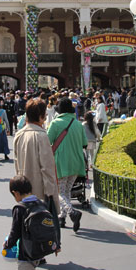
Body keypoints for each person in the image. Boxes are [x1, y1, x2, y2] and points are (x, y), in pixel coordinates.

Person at [47, 97, 87, 231]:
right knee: (67, 191)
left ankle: (71, 212)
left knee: (58, 192)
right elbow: (84, 143)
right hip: (76, 162)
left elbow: (48, 141)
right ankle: (62, 216)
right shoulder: (77, 124)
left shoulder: (55, 123)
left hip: (61, 162)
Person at [14, 98, 60, 214]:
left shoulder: (19, 135)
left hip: (23, 190)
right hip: (39, 193)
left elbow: (16, 163)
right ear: (41, 116)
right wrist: (51, 193)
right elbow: (47, 167)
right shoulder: (41, 136)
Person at [4, 175, 59, 270]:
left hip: (26, 252)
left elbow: (15, 232)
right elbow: (51, 225)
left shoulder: (20, 208)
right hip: (41, 248)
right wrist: (57, 244)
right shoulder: (41, 203)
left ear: (16, 193)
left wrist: (7, 245)